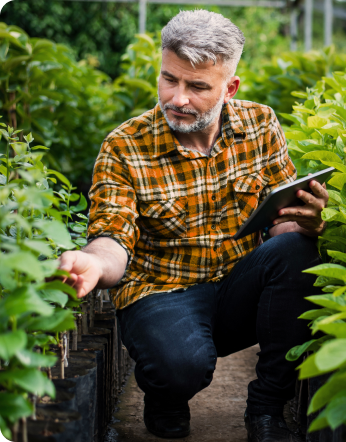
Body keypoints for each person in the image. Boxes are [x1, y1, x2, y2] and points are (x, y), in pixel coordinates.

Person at [58, 10, 329, 442]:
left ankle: (266, 410)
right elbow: (114, 236)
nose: (177, 98)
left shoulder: (260, 125)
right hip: (163, 291)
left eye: (197, 86)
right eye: (170, 79)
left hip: (236, 285)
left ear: (230, 88)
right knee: (180, 368)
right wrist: (92, 263)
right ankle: (166, 393)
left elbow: (280, 228)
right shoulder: (125, 145)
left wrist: (305, 224)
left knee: (299, 252)